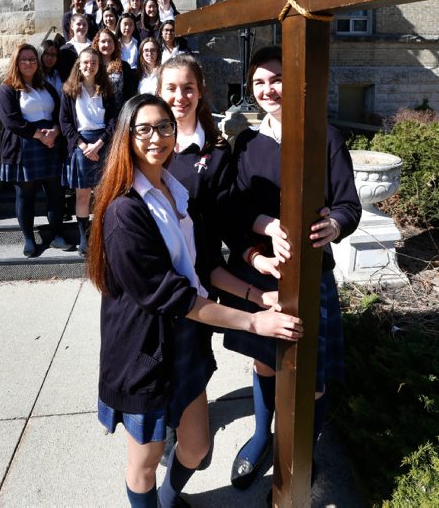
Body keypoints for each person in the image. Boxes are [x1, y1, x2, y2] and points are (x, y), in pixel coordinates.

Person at [87, 93, 303, 508]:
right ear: (126, 136)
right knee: (146, 461)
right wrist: (254, 323)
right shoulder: (123, 212)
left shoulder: (176, 192)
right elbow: (173, 295)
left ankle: (167, 500)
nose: (157, 137)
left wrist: (257, 297)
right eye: (145, 129)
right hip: (143, 350)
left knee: (196, 448)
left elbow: (202, 267)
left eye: (165, 127)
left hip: (186, 339)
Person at [222, 45, 362, 491]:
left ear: (295, 83)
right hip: (262, 274)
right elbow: (235, 205)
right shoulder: (245, 142)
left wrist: (334, 226)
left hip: (310, 275)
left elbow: (348, 205)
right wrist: (267, 226)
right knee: (266, 362)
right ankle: (262, 436)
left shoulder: (326, 137)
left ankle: (301, 450)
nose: (268, 89)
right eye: (259, 82)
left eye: (277, 79)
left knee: (311, 376)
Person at [157, 53, 234, 464]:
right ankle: (171, 431)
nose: (179, 96)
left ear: (200, 91)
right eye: (171, 88)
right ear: (158, 92)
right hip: (157, 277)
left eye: (187, 87)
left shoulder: (219, 152)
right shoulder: (147, 144)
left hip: (200, 275)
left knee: (195, 353)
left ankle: (192, 425)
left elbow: (229, 215)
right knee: (164, 357)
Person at [0, 43, 71, 258]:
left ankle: (57, 235)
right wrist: (40, 135)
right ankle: (29, 239)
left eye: (32, 59)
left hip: (50, 145)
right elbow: (11, 120)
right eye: (24, 59)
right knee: (25, 195)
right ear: (16, 63)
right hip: (24, 147)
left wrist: (55, 132)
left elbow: (59, 113)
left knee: (55, 194)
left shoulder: (45, 87)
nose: (29, 63)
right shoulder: (8, 88)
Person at [60, 48, 116, 256]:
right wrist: (83, 146)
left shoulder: (106, 90)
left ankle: (102, 235)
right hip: (80, 145)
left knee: (103, 196)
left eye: (93, 62)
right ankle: (84, 237)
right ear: (79, 65)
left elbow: (112, 121)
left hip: (102, 143)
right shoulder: (69, 90)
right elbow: (65, 123)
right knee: (82, 197)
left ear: (98, 65)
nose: (89, 66)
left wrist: (99, 144)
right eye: (85, 62)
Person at [92, 28, 137, 112]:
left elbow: (130, 93)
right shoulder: (92, 66)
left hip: (119, 114)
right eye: (103, 41)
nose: (107, 44)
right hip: (97, 115)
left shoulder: (124, 66)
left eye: (110, 41)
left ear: (115, 44)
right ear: (97, 44)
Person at [59, 13, 92, 82]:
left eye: (84, 25)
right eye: (78, 24)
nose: (82, 27)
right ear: (72, 26)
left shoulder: (94, 47)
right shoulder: (65, 50)